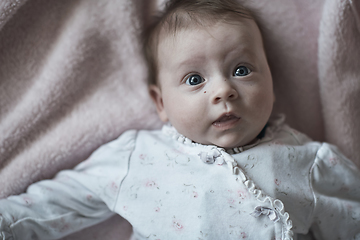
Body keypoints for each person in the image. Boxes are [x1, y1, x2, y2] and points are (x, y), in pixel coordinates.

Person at [1, 0, 360, 239]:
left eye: (241, 69)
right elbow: (57, 204)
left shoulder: (310, 162)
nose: (223, 90)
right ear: (161, 103)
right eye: (194, 79)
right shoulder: (139, 157)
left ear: (272, 83)